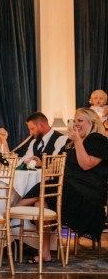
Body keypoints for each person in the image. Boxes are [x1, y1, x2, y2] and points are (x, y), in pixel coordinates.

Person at [18, 108, 108, 263]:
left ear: (91, 122)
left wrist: (78, 141)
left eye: (80, 120)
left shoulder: (97, 139)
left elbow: (86, 165)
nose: (76, 124)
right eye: (75, 120)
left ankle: (11, 212)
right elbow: (54, 164)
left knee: (46, 188)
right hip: (67, 187)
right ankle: (44, 253)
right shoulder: (69, 142)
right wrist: (46, 166)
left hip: (89, 192)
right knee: (41, 203)